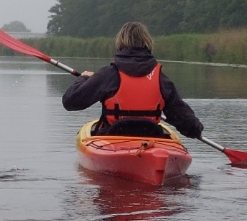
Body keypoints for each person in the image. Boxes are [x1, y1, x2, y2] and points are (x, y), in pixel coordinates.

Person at [62, 22, 203, 139]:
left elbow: (70, 102)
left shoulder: (109, 74)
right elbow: (189, 125)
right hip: (150, 138)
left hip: (114, 138)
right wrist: (196, 129)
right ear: (147, 43)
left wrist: (84, 78)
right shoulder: (161, 79)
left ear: (120, 43)